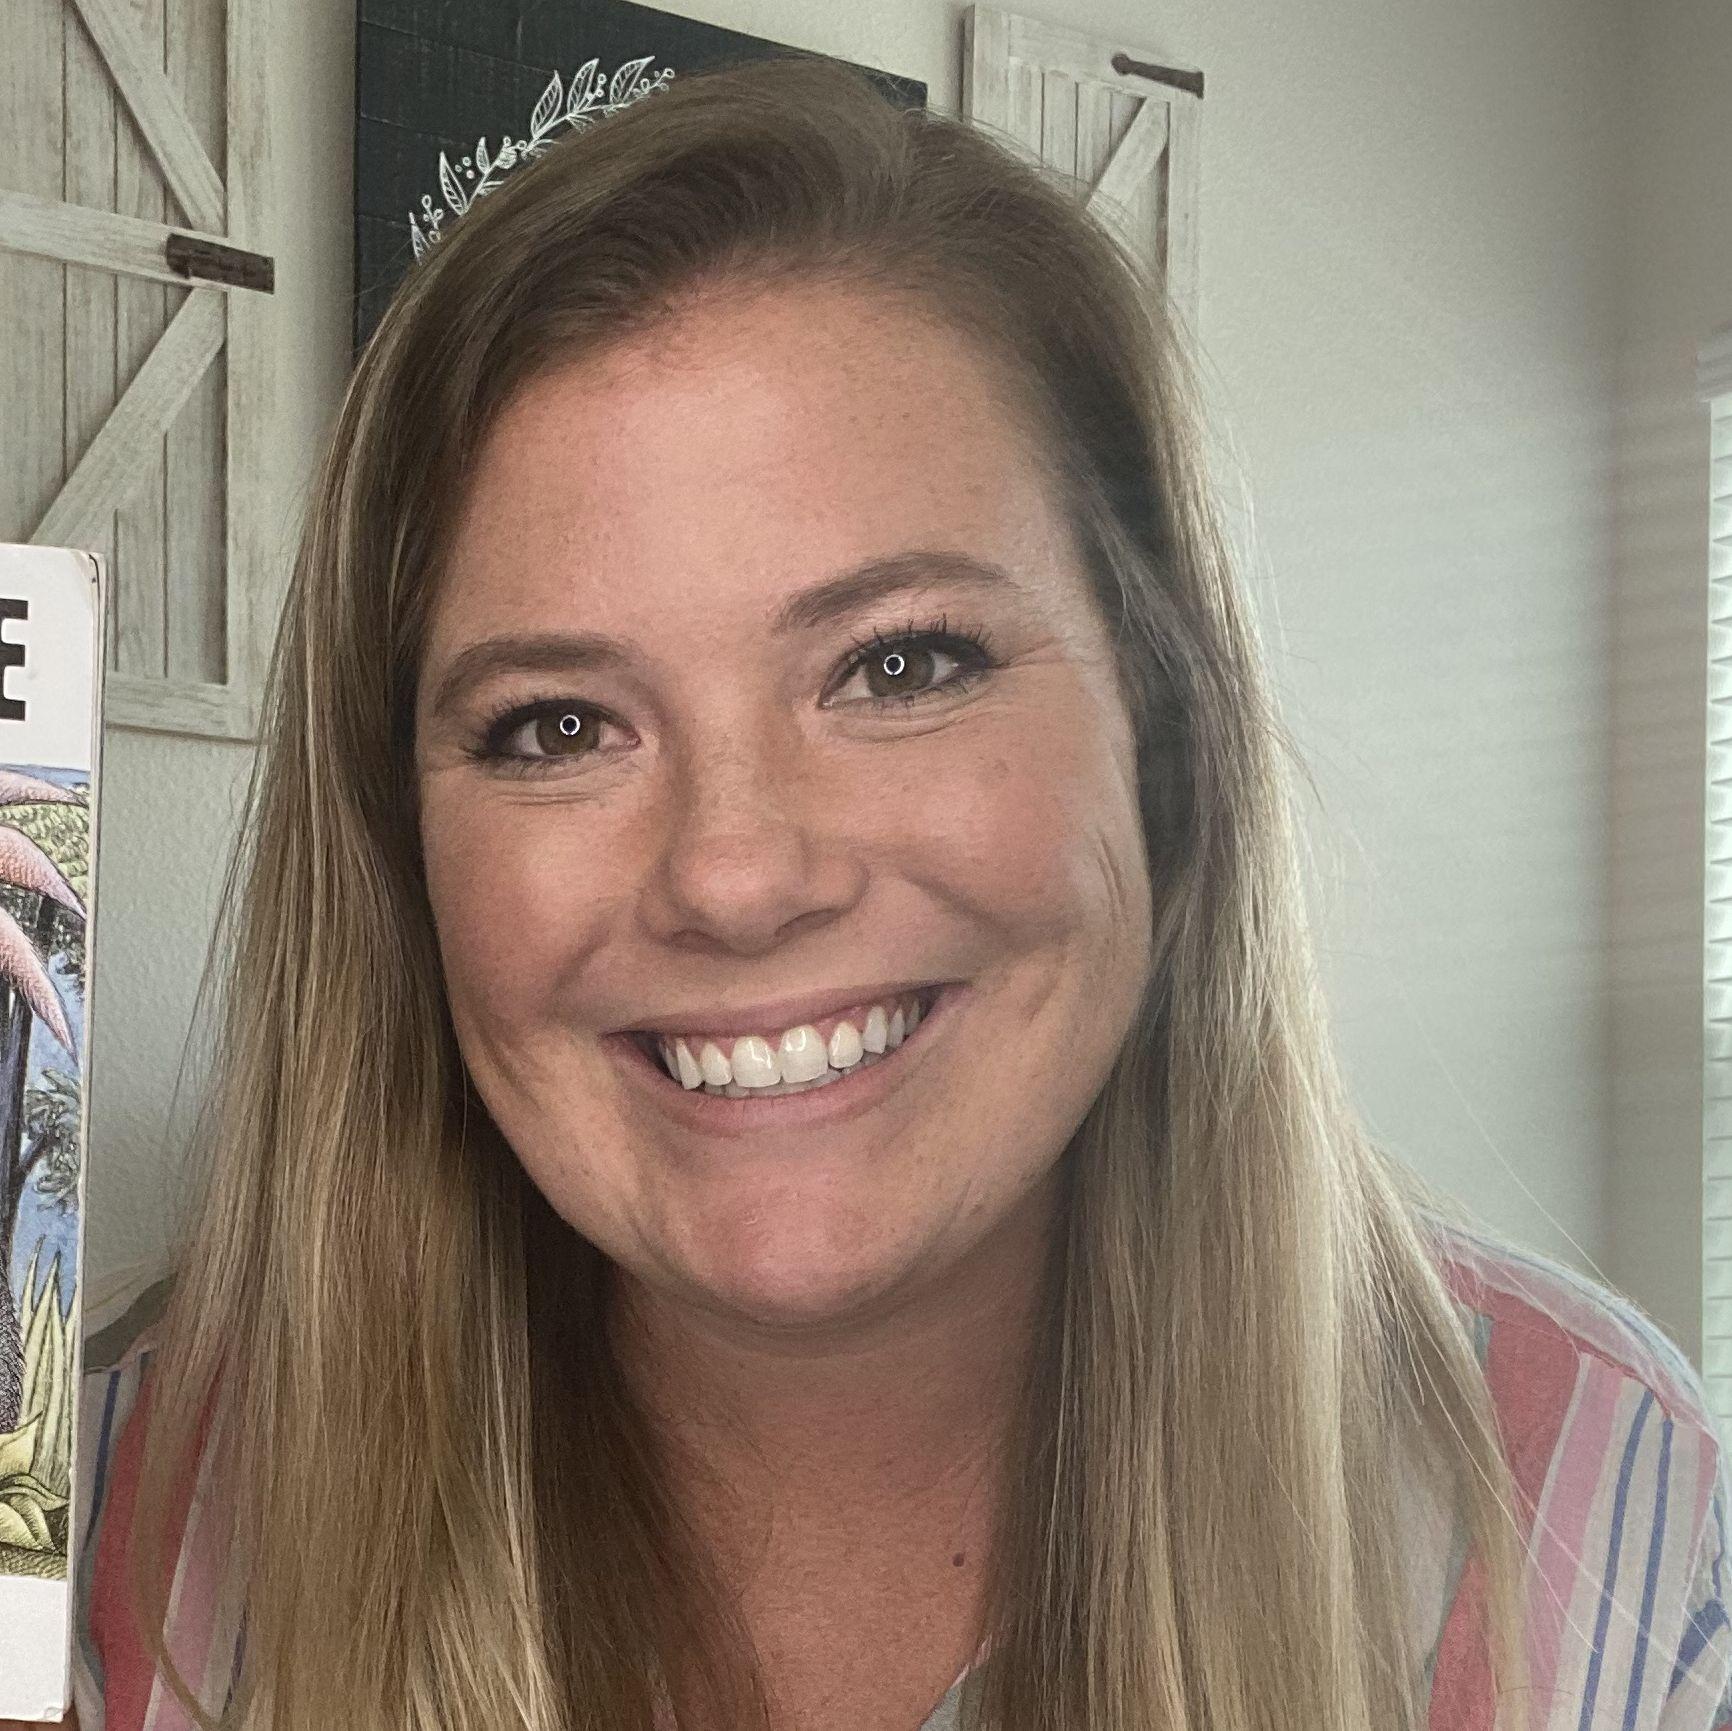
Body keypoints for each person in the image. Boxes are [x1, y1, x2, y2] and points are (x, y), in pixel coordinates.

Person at [22, 51, 1732, 1731]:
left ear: (1166, 728)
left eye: (900, 663)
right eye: (558, 724)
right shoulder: (92, 1533)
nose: (735, 875)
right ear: (402, 846)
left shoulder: (1612, 1545)